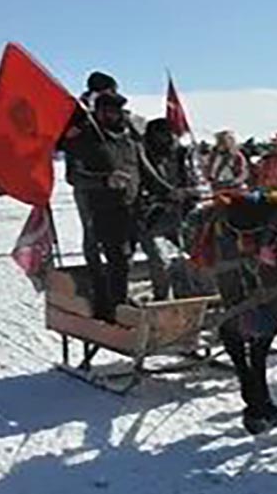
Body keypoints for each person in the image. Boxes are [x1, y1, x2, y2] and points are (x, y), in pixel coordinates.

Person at [65, 92, 141, 322]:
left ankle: (118, 299)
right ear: (98, 112)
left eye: (118, 112)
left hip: (132, 207)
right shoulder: (83, 139)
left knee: (126, 260)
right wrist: (104, 180)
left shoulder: (128, 138)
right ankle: (116, 309)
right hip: (102, 209)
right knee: (117, 258)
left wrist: (169, 190)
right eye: (108, 111)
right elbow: (74, 176)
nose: (114, 116)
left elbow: (142, 168)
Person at [62, 71, 120, 275]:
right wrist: (80, 126)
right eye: (112, 89)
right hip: (86, 179)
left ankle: (113, 270)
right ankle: (96, 273)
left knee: (115, 230)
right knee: (92, 229)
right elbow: (63, 139)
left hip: (113, 179)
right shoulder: (79, 110)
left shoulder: (110, 111)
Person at [138, 118, 203, 301]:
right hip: (151, 217)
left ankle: (201, 293)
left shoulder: (183, 154)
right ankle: (163, 299)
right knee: (160, 261)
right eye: (163, 134)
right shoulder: (141, 155)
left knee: (199, 252)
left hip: (181, 214)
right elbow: (142, 183)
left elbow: (195, 180)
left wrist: (189, 193)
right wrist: (163, 196)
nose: (169, 138)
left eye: (171, 133)